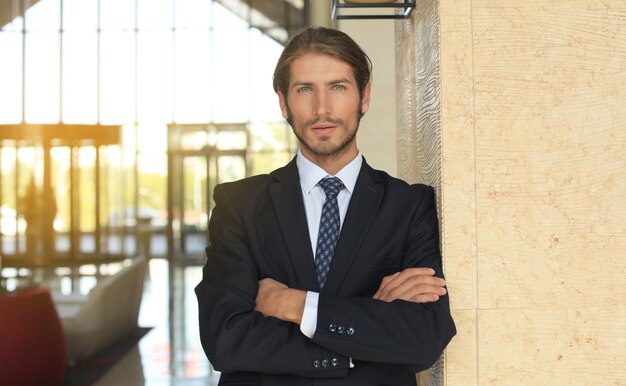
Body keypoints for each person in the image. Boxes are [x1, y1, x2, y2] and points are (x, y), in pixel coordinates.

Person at [195, 26, 456, 385]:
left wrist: (296, 305)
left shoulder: (409, 206)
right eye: (305, 89)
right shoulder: (238, 204)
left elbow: (423, 340)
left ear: (363, 97)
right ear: (284, 102)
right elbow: (224, 340)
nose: (322, 109)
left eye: (338, 87)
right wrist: (368, 327)